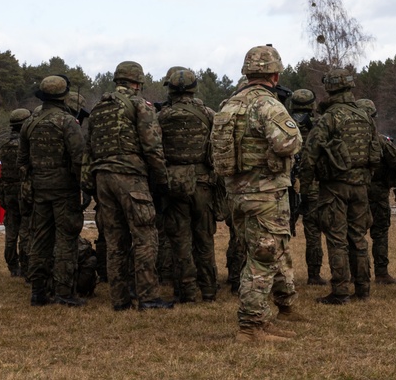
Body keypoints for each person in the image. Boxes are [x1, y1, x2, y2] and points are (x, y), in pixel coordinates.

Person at [211, 45, 303, 343]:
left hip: (237, 194)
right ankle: (250, 327)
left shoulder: (229, 104)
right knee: (264, 257)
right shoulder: (267, 104)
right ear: (275, 75)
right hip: (265, 193)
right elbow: (288, 142)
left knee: (256, 253)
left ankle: (262, 321)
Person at [83, 61, 174, 312]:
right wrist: (162, 180)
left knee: (115, 241)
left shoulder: (98, 109)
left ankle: (119, 299)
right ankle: (148, 297)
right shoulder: (138, 105)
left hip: (103, 178)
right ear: (137, 82)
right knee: (145, 236)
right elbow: (152, 146)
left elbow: (88, 148)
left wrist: (90, 181)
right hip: (130, 177)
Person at [301, 68, 381, 304]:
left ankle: (340, 291)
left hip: (334, 187)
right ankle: (363, 290)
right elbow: (375, 153)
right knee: (358, 238)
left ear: (330, 88)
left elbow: (309, 155)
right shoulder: (365, 116)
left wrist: (305, 189)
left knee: (337, 239)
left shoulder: (330, 118)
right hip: (360, 187)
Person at [18, 75, 86, 307]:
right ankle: (64, 293)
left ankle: (38, 292)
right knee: (66, 240)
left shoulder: (30, 123)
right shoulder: (67, 122)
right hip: (64, 190)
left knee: (40, 240)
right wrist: (84, 187)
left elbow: (23, 160)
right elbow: (79, 158)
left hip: (39, 190)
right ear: (64, 96)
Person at [157, 67, 219, 303]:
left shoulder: (162, 117)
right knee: (204, 239)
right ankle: (209, 290)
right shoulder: (209, 114)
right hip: (203, 185)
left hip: (174, 185)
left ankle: (187, 292)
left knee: (180, 240)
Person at [360, 98, 396, 285]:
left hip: (356, 190)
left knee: (354, 234)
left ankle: (357, 273)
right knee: (380, 233)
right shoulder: (381, 141)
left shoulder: (348, 140)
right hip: (378, 192)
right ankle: (382, 273)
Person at [289, 89, 326, 285]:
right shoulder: (319, 125)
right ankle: (314, 275)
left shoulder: (283, 122)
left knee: (281, 233)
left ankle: (278, 274)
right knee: (313, 232)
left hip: (288, 186)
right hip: (312, 185)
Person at [0, 108, 31, 277]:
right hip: (23, 191)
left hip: (7, 191)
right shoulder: (26, 143)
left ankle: (12, 265)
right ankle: (25, 265)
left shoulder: (3, 143)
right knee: (25, 230)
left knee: (11, 230)